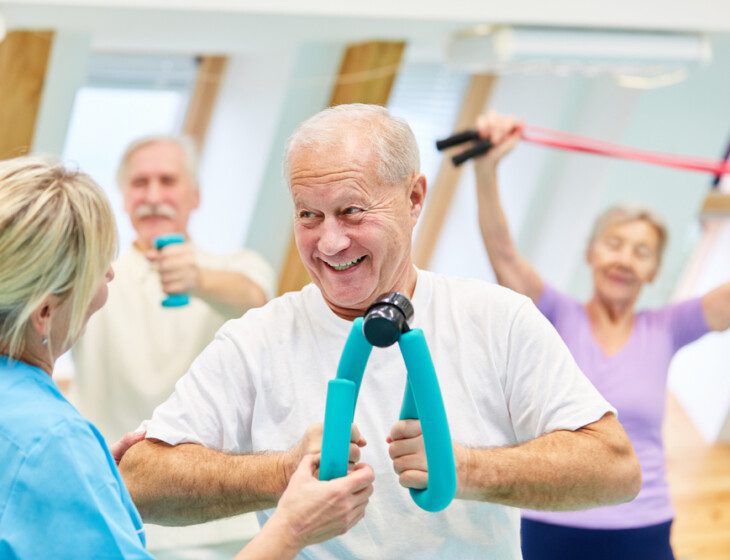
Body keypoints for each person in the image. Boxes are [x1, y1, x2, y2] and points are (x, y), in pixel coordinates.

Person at [119, 104, 642, 559]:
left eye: (351, 211)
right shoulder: (256, 339)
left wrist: (468, 468)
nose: (329, 243)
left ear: (414, 198)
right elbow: (140, 480)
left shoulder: (498, 319)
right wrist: (279, 474)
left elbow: (614, 468)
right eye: (309, 215)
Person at [0, 157, 374, 559]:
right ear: (43, 313)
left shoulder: (41, 434)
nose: (109, 278)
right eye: (97, 267)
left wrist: (84, 480)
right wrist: (293, 528)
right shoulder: (53, 441)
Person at [470, 111, 730, 560]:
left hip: (641, 521)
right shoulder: (555, 315)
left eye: (642, 251)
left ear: (652, 271)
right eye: (614, 244)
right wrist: (487, 168)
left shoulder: (666, 327)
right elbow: (504, 256)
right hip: (550, 514)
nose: (625, 260)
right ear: (591, 254)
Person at [70, 135, 275, 445]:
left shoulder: (241, 265)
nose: (153, 196)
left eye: (167, 181)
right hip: (102, 464)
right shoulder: (90, 275)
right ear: (124, 198)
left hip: (196, 476)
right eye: (140, 183)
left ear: (195, 195)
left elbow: (255, 298)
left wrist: (198, 280)